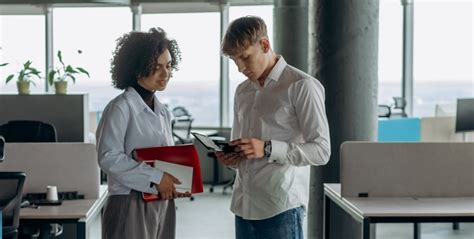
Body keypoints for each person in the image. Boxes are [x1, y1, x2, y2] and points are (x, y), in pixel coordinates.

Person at [217, 16, 331, 239]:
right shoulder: (242, 91)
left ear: (265, 45)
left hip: (281, 207)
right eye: (234, 60)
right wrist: (232, 159)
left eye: (245, 57)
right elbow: (242, 148)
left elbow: (321, 150)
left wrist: (268, 148)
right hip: (243, 206)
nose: (240, 67)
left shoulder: (302, 86)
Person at [96, 27, 190, 239]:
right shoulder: (120, 107)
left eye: (168, 66)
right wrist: (156, 177)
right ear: (137, 69)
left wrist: (177, 180)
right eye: (156, 67)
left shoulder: (163, 111)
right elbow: (108, 158)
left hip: (161, 200)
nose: (165, 73)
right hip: (129, 201)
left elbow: (164, 156)